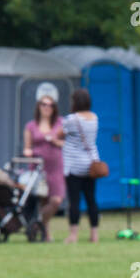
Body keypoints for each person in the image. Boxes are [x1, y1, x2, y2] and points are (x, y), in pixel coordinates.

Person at [22, 88, 66, 241]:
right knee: (43, 200)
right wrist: (28, 152)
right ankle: (46, 233)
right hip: (39, 168)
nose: (47, 107)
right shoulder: (31, 126)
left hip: (56, 167)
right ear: (38, 106)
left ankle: (36, 224)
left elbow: (67, 143)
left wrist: (54, 141)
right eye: (44, 104)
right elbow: (27, 147)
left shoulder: (60, 123)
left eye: (50, 105)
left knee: (56, 200)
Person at [62, 88, 101, 244]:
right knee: (91, 199)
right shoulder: (94, 118)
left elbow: (60, 133)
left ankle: (73, 235)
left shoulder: (72, 119)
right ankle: (94, 235)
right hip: (91, 164)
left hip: (74, 165)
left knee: (75, 200)